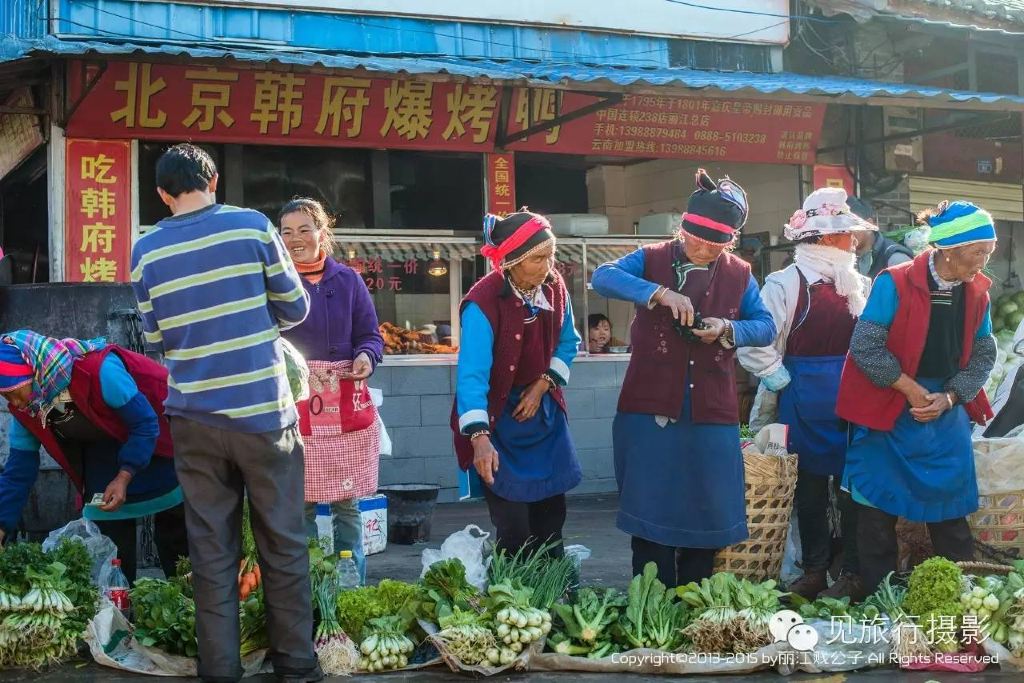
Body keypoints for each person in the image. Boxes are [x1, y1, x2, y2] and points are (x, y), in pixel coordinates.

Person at [131, 144, 319, 683]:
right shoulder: (252, 227)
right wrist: (254, 326)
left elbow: (156, 338)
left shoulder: (145, 252)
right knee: (283, 544)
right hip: (263, 415)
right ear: (213, 180)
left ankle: (219, 672)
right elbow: (296, 307)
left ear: (164, 195)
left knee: (211, 556)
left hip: (193, 421)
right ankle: (298, 669)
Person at [592, 169, 776, 587]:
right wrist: (658, 293)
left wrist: (727, 329)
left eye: (716, 244)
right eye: (697, 240)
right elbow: (601, 276)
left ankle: (693, 601)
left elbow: (764, 325)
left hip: (711, 410)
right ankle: (651, 599)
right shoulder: (652, 257)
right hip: (649, 407)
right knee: (652, 507)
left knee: (706, 508)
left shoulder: (739, 273)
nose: (704, 250)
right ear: (683, 229)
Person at [836, 200, 997, 594]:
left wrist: (950, 396)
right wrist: (910, 389)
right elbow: (867, 346)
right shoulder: (895, 282)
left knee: (951, 509)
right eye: (978, 252)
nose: (984, 261)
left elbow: (984, 352)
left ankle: (963, 598)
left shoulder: (977, 293)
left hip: (943, 411)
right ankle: (881, 597)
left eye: (988, 252)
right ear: (948, 249)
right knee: (876, 511)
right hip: (890, 405)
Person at [738, 188, 873, 601]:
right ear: (824, 239)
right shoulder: (785, 284)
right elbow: (753, 341)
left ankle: (851, 571)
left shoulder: (859, 284)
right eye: (846, 235)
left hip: (853, 397)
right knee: (810, 488)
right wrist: (779, 379)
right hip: (802, 395)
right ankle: (814, 570)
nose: (853, 242)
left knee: (852, 488)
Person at [0, 330, 187, 582]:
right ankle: (120, 613)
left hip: (154, 440)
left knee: (179, 548)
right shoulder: (29, 408)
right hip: (100, 457)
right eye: (4, 396)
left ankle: (193, 605)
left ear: (31, 372)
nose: (14, 403)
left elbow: (145, 423)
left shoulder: (99, 371)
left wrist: (124, 476)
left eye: (13, 392)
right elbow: (19, 468)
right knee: (111, 562)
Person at [451, 210, 582, 557]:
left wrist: (543, 385)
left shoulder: (554, 288)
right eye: (537, 258)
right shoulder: (482, 303)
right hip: (498, 420)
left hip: (542, 412)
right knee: (514, 525)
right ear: (511, 261)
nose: (547, 265)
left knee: (552, 517)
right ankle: (511, 596)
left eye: (550, 255)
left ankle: (553, 599)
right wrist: (480, 439)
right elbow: (472, 376)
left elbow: (569, 342)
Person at [279, 197, 384, 584]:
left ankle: (349, 580)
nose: (296, 239)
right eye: (287, 232)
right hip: (296, 402)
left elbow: (370, 336)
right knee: (301, 503)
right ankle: (308, 585)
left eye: (305, 230)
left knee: (347, 502)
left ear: (322, 234)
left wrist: (366, 357)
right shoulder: (275, 284)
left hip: (344, 401)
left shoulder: (348, 281)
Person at [848, 197, 913, 279]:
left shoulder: (895, 259)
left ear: (868, 225)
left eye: (851, 226)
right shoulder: (842, 256)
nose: (845, 232)